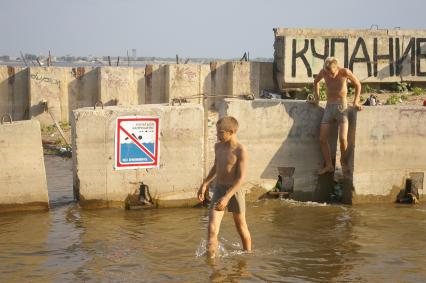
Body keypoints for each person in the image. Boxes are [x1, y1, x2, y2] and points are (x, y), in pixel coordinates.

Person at [197, 116, 252, 258]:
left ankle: (247, 256)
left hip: (235, 191)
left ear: (231, 131)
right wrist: (205, 183)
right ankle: (212, 261)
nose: (217, 135)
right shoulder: (218, 146)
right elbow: (216, 167)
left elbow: (241, 179)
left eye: (220, 132)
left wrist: (227, 197)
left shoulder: (240, 150)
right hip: (219, 189)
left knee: (240, 226)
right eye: (217, 132)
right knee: (212, 227)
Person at [309, 57, 363, 175]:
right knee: (322, 139)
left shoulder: (345, 72)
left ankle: (343, 162)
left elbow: (358, 84)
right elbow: (316, 81)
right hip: (329, 108)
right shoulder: (324, 72)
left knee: (343, 139)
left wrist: (356, 102)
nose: (330, 75)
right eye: (328, 73)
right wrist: (317, 99)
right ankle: (329, 165)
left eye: (332, 73)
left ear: (337, 67)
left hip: (342, 108)